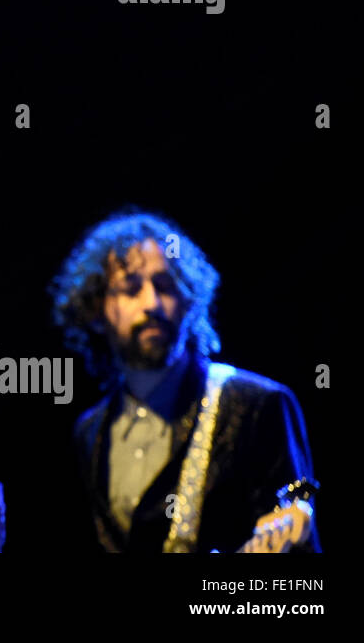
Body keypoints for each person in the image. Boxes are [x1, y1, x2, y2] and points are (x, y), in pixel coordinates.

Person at [50, 209, 319, 552]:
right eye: (131, 289)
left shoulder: (257, 404)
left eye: (165, 286)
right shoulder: (89, 432)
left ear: (189, 301)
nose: (152, 303)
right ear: (96, 310)